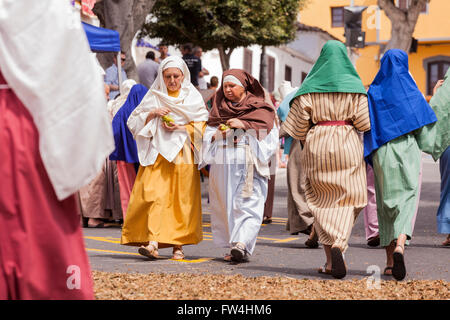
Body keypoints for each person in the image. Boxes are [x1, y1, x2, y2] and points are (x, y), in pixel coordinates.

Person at [0, 0, 114, 299]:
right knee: (40, 237)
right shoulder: (45, 7)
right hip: (26, 126)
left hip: (25, 120)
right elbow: (75, 79)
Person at [281, 40, 371, 279]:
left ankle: (331, 261)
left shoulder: (309, 88)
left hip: (317, 143)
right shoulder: (355, 86)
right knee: (352, 196)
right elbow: (364, 123)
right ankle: (339, 245)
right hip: (347, 142)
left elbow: (298, 128)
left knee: (320, 200)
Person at [121, 56, 209, 260]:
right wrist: (153, 113)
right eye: (167, 76)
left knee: (181, 200)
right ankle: (153, 243)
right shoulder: (155, 96)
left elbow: (203, 123)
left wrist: (181, 127)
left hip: (182, 154)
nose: (172, 80)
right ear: (161, 76)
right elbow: (133, 121)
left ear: (183, 76)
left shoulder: (192, 97)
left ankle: (178, 246)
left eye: (176, 76)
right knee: (153, 197)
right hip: (157, 153)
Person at [364, 49, 438, 281]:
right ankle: (401, 246)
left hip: (382, 151)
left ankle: (388, 263)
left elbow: (367, 124)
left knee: (385, 204)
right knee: (407, 198)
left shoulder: (374, 92)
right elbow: (424, 129)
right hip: (407, 149)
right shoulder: (411, 92)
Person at [201, 69, 278, 262]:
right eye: (225, 86)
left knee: (249, 202)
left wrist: (243, 126)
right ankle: (233, 246)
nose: (227, 90)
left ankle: (242, 243)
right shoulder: (218, 109)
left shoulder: (260, 109)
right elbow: (207, 134)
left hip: (248, 161)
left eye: (232, 86)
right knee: (227, 205)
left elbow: (270, 136)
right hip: (223, 163)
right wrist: (218, 135)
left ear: (243, 87)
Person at [277, 81, 317, 248]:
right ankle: (309, 228)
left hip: (300, 143)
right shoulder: (317, 92)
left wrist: (272, 136)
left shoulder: (293, 99)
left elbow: (289, 124)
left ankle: (312, 224)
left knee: (297, 186)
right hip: (321, 142)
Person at [415, 74, 450, 247]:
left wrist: (436, 93)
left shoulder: (445, 93)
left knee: (448, 187)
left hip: (449, 145)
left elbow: (437, 111)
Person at [109, 84, 149, 219]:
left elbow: (113, 133)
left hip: (123, 156)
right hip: (144, 157)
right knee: (144, 188)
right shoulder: (145, 113)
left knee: (126, 188)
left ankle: (129, 219)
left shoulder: (122, 111)